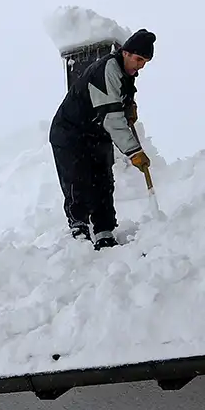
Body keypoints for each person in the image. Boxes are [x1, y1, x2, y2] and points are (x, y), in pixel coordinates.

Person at [48, 29, 156, 250]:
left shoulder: (125, 76)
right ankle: (79, 229)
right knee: (77, 178)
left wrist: (129, 108)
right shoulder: (106, 70)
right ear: (125, 53)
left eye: (144, 61)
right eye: (138, 59)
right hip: (70, 132)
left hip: (96, 133)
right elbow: (112, 118)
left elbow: (119, 110)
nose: (140, 65)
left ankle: (104, 230)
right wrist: (134, 152)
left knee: (103, 179)